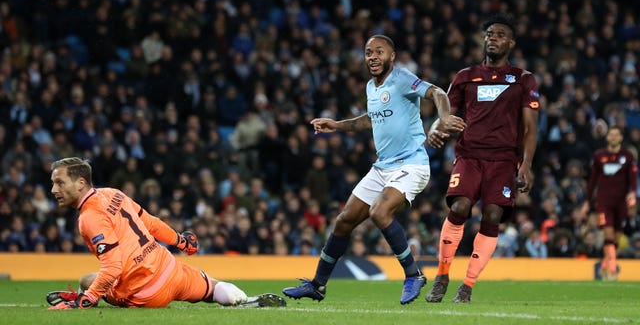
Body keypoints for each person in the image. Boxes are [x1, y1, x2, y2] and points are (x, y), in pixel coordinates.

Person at [282, 34, 466, 304]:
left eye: (379, 51)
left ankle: (413, 275)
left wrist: (445, 116)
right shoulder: (371, 87)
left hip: (411, 163)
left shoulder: (403, 78)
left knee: (379, 211)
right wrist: (337, 125)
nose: (373, 56)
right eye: (368, 52)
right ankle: (317, 285)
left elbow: (437, 92)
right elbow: (370, 119)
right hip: (382, 167)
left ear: (392, 56)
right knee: (344, 220)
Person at [46, 157, 285, 309]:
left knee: (87, 282)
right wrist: (181, 241)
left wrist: (87, 300)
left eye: (60, 183)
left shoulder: (89, 217)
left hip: (143, 292)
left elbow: (112, 268)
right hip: (169, 269)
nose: (54, 189)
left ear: (80, 183)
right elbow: (150, 222)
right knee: (212, 286)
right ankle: (243, 300)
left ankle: (80, 299)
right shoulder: (113, 193)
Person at [426, 12, 539, 303]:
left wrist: (525, 165)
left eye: (500, 35)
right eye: (490, 34)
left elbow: (530, 127)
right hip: (470, 154)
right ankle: (441, 275)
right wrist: (437, 128)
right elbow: (446, 113)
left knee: (492, 214)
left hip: (503, 160)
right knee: (461, 206)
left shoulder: (523, 80)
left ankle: (468, 285)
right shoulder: (465, 77)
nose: (493, 39)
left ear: (511, 43)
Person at [584, 126, 638, 280]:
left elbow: (633, 178)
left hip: (621, 202)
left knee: (615, 238)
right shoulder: (599, 156)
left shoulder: (627, 156)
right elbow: (592, 180)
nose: (613, 137)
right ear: (607, 137)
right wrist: (587, 201)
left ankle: (604, 266)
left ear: (621, 138)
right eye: (611, 135)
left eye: (616, 135)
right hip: (604, 201)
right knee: (608, 233)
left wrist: (633, 192)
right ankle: (613, 269)